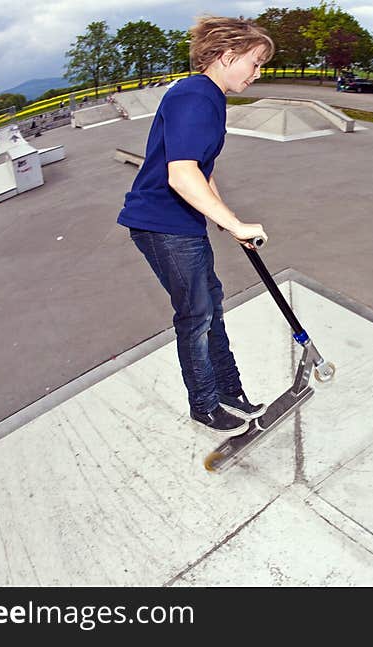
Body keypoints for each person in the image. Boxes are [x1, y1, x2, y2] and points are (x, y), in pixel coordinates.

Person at [117, 16, 273, 437]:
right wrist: (233, 223)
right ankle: (204, 405)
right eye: (255, 63)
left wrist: (225, 218)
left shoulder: (208, 96)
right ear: (227, 56)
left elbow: (201, 169)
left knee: (211, 308)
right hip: (162, 223)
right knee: (196, 316)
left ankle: (229, 391)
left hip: (181, 223)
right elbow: (180, 174)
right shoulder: (195, 96)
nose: (259, 73)